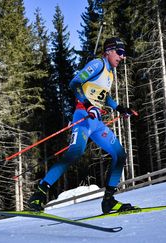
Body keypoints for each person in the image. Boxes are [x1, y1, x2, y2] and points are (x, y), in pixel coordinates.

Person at [28, 37, 136, 214]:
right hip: (83, 117)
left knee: (120, 154)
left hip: (97, 122)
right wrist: (88, 105)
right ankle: (39, 193)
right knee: (75, 153)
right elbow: (75, 83)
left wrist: (120, 108)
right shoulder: (98, 64)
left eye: (124, 54)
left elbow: (103, 96)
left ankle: (108, 200)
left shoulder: (109, 73)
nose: (122, 57)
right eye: (120, 52)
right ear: (109, 51)